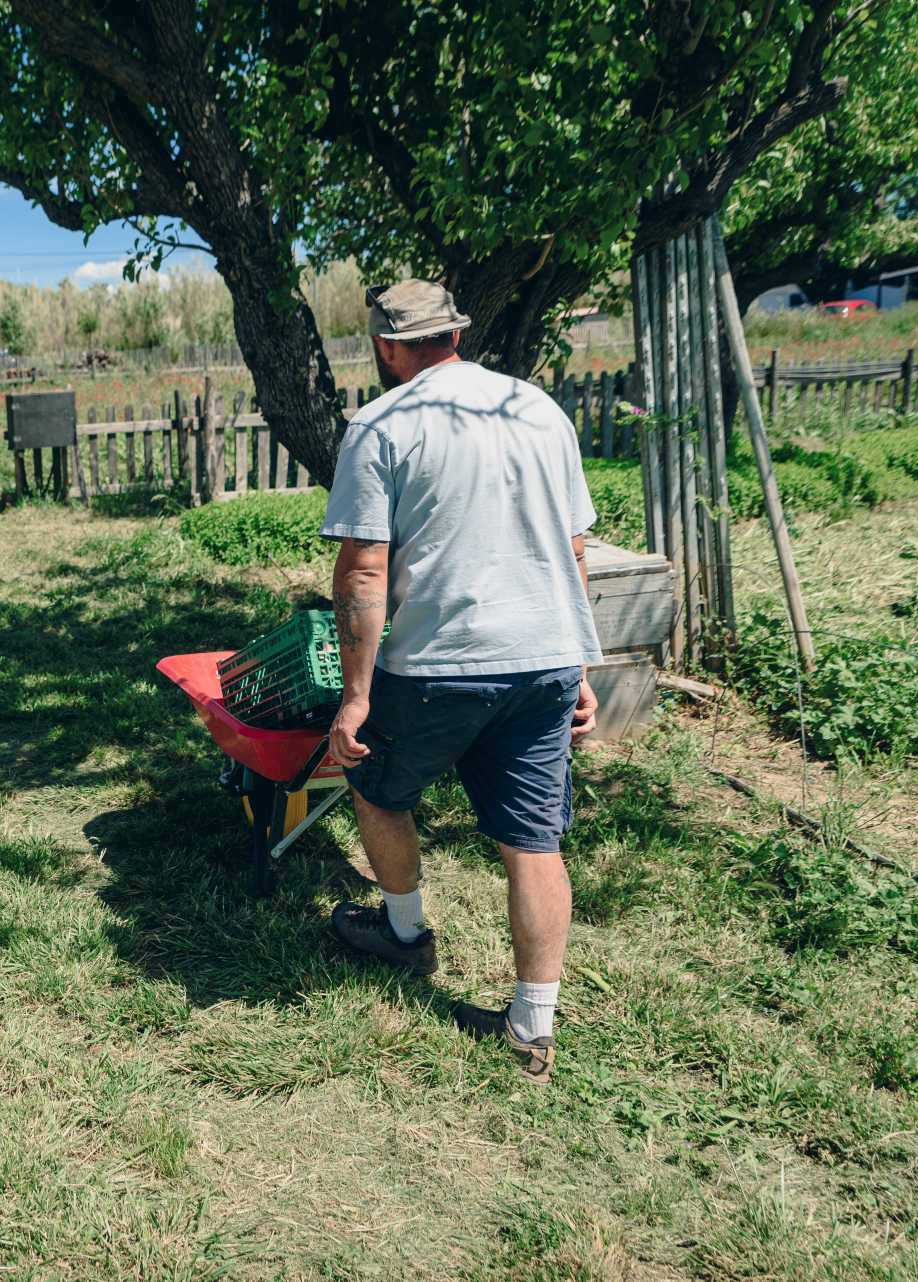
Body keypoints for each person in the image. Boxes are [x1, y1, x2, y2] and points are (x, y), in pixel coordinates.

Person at [321, 279, 601, 1084]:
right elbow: (573, 549)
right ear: (454, 334)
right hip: (543, 658)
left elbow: (364, 571)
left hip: (441, 663)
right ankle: (532, 1027)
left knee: (375, 787)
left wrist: (358, 695)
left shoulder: (382, 425)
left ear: (385, 346)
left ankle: (405, 936)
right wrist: (581, 665)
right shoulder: (536, 410)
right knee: (533, 841)